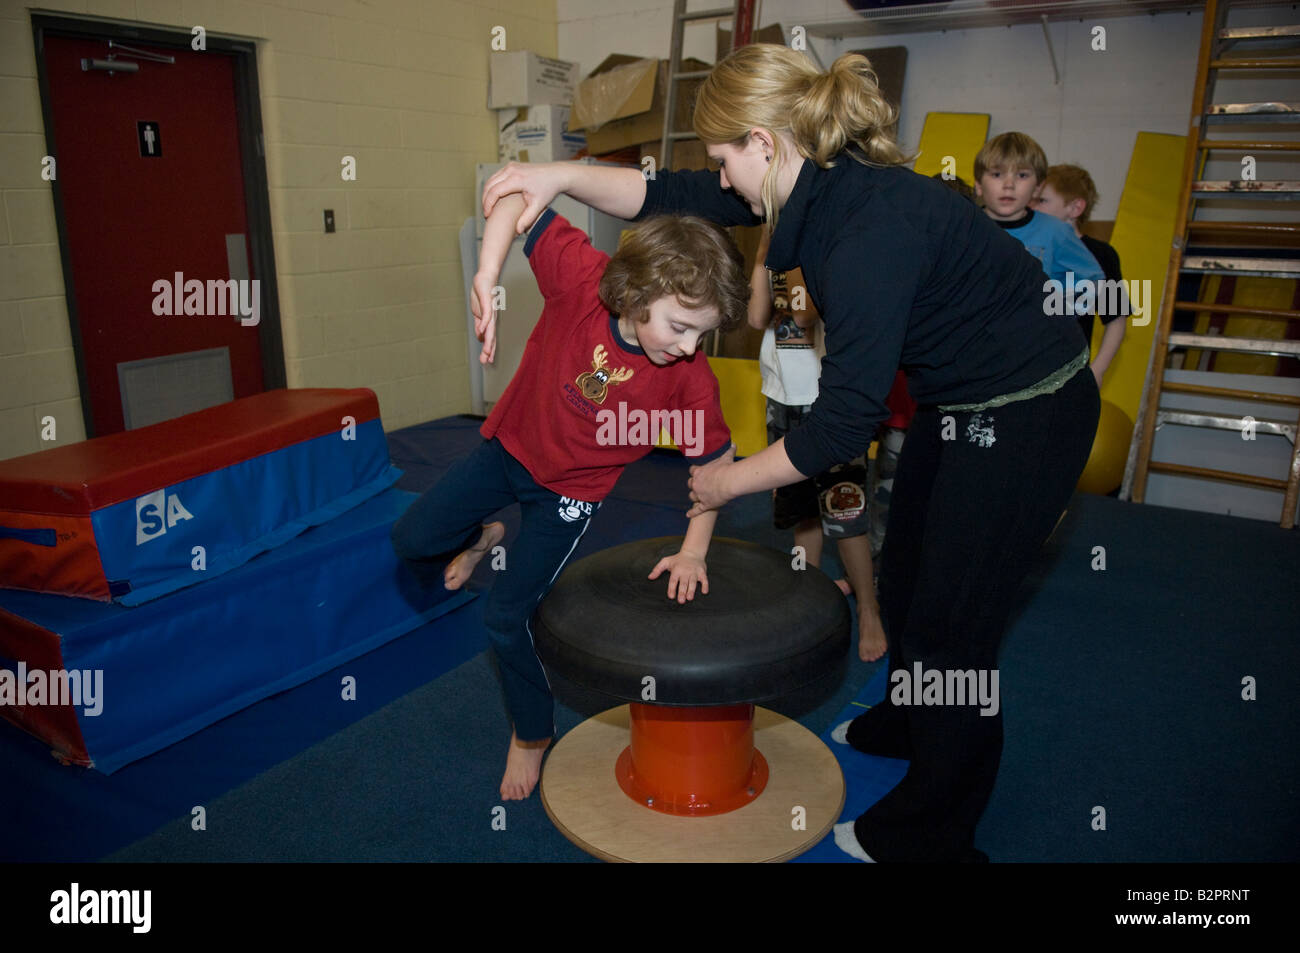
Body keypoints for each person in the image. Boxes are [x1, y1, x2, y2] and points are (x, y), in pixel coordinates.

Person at [483, 43, 1100, 863]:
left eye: (725, 158)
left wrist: (725, 478)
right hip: (961, 403)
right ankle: (902, 719)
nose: (722, 178)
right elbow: (664, 192)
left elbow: (843, 425)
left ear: (765, 143)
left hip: (1031, 412)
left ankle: (936, 832)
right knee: (909, 575)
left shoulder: (863, 235)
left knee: (957, 631)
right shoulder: (816, 179)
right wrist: (559, 176)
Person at [391, 192, 747, 801]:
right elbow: (512, 197)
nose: (690, 347)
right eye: (681, 327)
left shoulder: (688, 378)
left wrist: (694, 551)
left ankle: (531, 734)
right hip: (506, 452)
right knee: (410, 539)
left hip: (571, 496)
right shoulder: (582, 279)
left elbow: (715, 464)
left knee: (505, 616)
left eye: (702, 335)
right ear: (636, 293)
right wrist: (485, 273)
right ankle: (485, 536)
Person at [747, 230, 884, 661]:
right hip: (781, 399)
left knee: (846, 511)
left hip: (828, 404)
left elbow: (804, 316)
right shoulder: (777, 259)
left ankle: (868, 606)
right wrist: (762, 257)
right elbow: (755, 318)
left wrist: (791, 252)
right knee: (803, 510)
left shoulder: (829, 255)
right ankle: (806, 600)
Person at [974, 132, 1105, 319]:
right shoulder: (965, 228)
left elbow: (1094, 282)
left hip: (1032, 342)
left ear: (1037, 187)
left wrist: (1055, 318)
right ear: (978, 184)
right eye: (997, 174)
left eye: (1022, 175)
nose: (1009, 184)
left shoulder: (1055, 232)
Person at [1033, 163, 1129, 385]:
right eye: (1032, 200)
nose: (1033, 208)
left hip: (1069, 369)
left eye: (1042, 201)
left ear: (1075, 208)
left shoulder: (1099, 254)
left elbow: (1115, 318)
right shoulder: (1029, 246)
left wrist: (1099, 369)